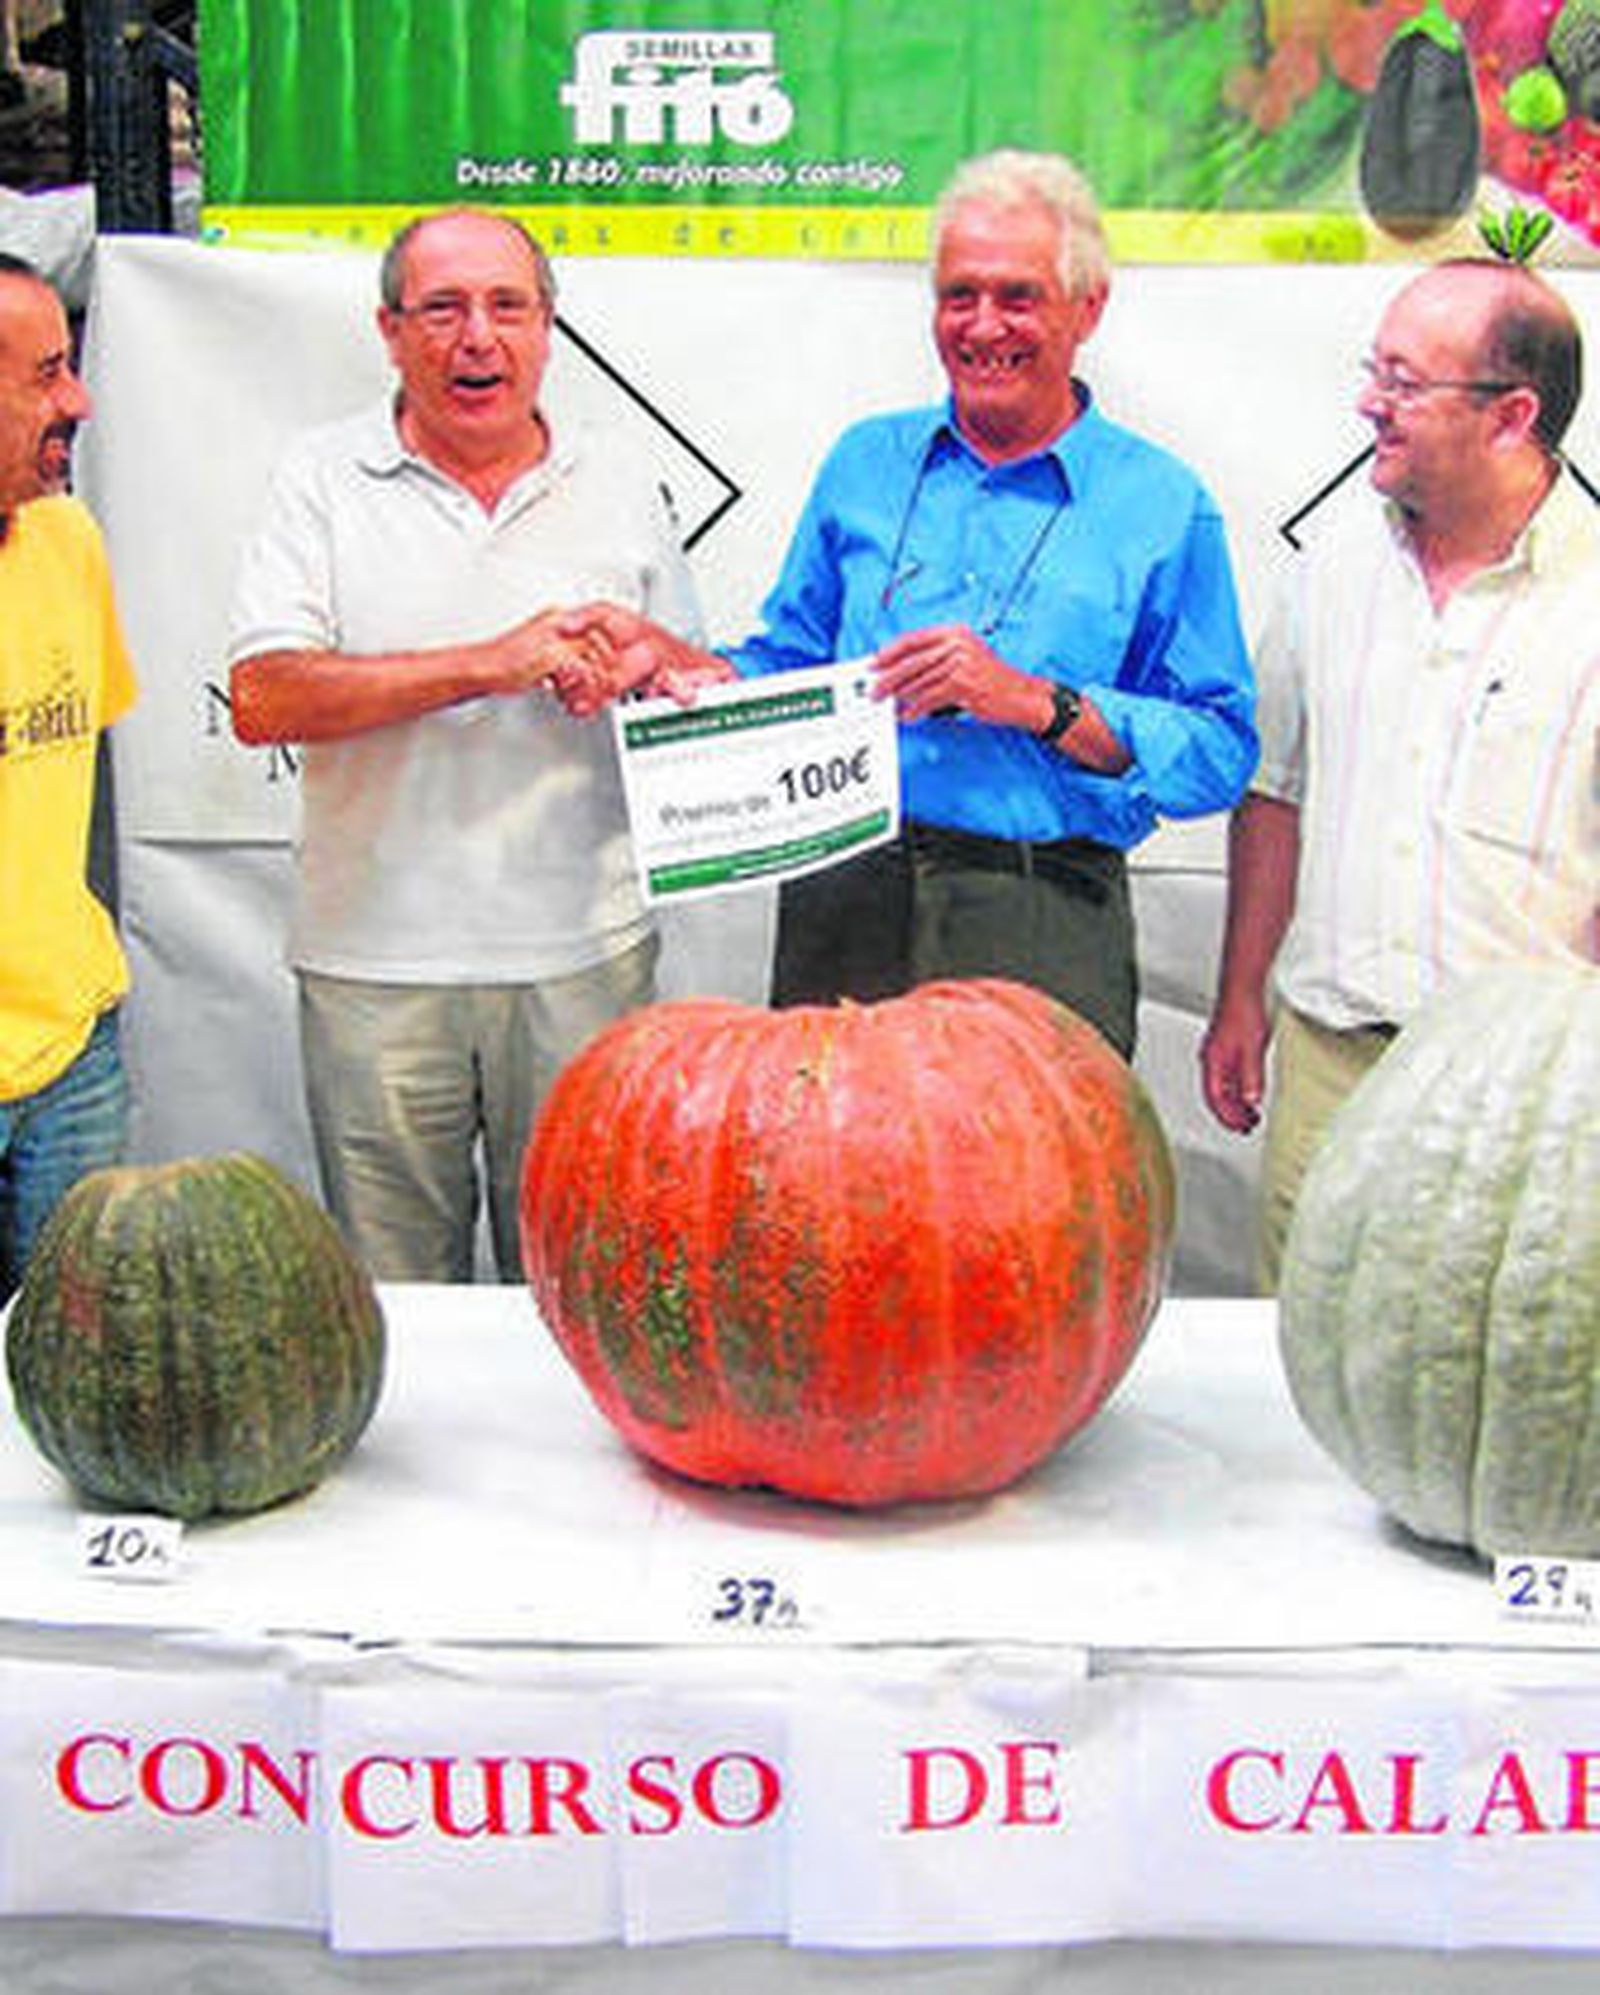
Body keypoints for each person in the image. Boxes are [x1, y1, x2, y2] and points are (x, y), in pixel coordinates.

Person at [552, 149, 1257, 1057]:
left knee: (1038, 1194)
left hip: (1038, 908)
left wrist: (1040, 704)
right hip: (844, 893)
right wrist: (687, 667)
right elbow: (795, 663)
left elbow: (1219, 751)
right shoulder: (864, 464)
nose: (982, 324)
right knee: (822, 1191)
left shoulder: (1162, 501)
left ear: (1089, 308)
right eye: (958, 295)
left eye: (1018, 296)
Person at [227, 208, 701, 1283]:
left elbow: (697, 683)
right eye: (441, 308)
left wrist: (642, 659)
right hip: (377, 970)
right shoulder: (320, 475)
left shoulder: (620, 475)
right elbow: (263, 695)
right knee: (401, 1309)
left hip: (587, 958)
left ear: (548, 330)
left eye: (508, 307)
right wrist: (494, 662)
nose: (476, 336)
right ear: (390, 331)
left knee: (587, 1291)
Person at [1201, 257, 1598, 1289]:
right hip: (1328, 1065)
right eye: (1373, 369)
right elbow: (1274, 792)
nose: (1368, 402)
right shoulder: (1330, 569)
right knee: (1295, 1366)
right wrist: (1240, 997)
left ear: (1512, 415)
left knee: (1492, 1375)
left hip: (1521, 1098)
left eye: (1405, 382)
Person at [0, 253, 137, 1300]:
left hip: (71, 1058)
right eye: (47, 374)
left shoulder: (67, 540)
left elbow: (78, 789)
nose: (78, 400)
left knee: (83, 1380)